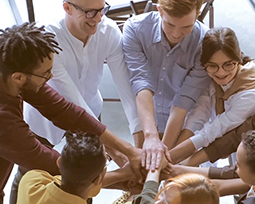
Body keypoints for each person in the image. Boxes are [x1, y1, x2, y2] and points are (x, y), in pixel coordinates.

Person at [0, 22, 141, 204]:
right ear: (18, 77)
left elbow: (65, 112)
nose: (50, 77)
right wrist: (121, 177)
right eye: (46, 73)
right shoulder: (3, 120)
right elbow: (65, 173)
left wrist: (129, 150)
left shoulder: (12, 75)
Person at [23, 0, 142, 160]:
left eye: (101, 10)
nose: (99, 19)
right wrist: (117, 151)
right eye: (90, 13)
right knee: (31, 171)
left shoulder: (109, 31)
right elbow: (72, 99)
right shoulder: (48, 38)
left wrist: (139, 136)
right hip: (43, 117)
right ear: (68, 8)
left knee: (92, 170)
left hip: (91, 107)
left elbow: (126, 88)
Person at [123, 0, 210, 170]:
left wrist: (163, 154)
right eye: (170, 24)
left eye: (186, 27)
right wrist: (151, 136)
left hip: (185, 123)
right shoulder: (135, 29)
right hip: (147, 115)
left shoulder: (205, 42)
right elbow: (141, 82)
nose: (176, 34)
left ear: (198, 13)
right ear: (160, 11)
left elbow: (184, 100)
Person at [167, 27, 255, 165]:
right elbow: (198, 116)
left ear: (238, 56)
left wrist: (168, 160)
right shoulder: (209, 79)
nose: (221, 73)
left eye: (228, 64)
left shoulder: (249, 93)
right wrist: (170, 156)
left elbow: (215, 129)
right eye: (213, 65)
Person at [17, 131, 108, 204]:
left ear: (59, 162)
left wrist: (119, 175)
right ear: (98, 180)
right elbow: (85, 188)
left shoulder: (30, 182)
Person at [169, 130, 255, 203]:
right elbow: (218, 186)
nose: (235, 166)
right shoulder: (251, 182)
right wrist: (177, 171)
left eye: (239, 164)